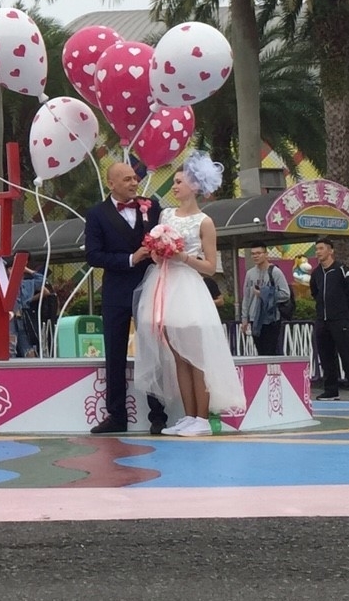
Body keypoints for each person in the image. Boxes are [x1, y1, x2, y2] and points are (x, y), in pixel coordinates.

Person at [132, 152, 247, 437]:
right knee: (178, 355)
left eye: (179, 182)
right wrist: (159, 253)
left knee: (196, 356)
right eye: (174, 182)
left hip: (188, 288)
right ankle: (188, 415)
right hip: (165, 283)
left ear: (194, 186)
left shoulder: (204, 222)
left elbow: (209, 266)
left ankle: (202, 417)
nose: (175, 186)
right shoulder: (166, 215)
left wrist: (182, 257)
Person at [83, 162, 168, 435]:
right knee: (115, 354)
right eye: (127, 179)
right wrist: (131, 258)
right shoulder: (97, 214)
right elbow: (93, 256)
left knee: (152, 351)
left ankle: (158, 414)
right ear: (112, 184)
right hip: (116, 292)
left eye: (135, 178)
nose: (134, 183)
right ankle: (116, 415)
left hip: (149, 287)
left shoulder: (151, 207)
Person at [309, 237, 349, 401]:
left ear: (330, 250)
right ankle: (331, 390)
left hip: (339, 320)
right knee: (326, 356)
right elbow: (315, 292)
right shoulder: (317, 273)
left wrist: (347, 311)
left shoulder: (341, 269)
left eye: (321, 248)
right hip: (322, 320)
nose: (318, 252)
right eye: (317, 249)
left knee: (346, 354)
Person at [242, 246, 292, 357]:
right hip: (255, 318)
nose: (255, 256)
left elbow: (285, 294)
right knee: (260, 351)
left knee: (270, 351)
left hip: (271, 318)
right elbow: (246, 297)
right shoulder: (250, 273)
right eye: (253, 253)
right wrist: (244, 318)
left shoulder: (275, 272)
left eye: (259, 253)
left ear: (266, 254)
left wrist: (264, 293)